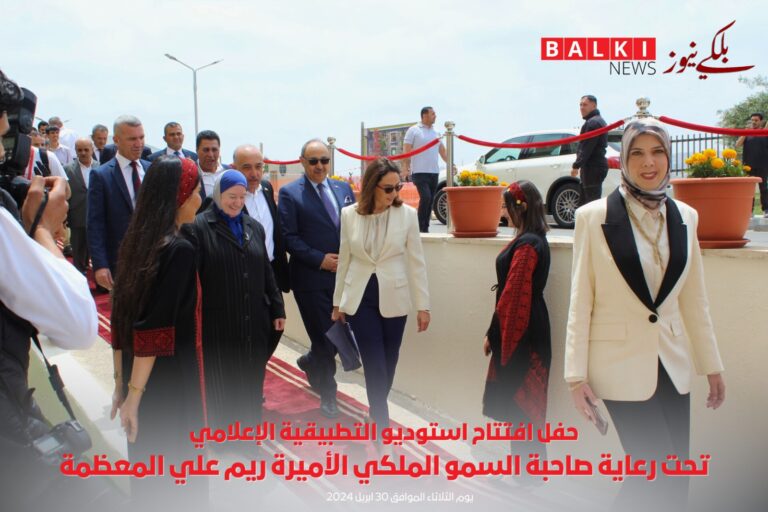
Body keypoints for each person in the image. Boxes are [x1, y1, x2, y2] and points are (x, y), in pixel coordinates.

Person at [565, 118, 726, 511]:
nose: (648, 162)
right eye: (637, 153)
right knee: (653, 471)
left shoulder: (686, 216)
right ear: (623, 159)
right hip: (618, 365)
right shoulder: (593, 216)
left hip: (672, 364)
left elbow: (695, 299)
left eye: (657, 152)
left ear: (669, 157)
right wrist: (575, 375)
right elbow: (580, 300)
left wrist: (712, 366)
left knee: (677, 475)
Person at [111, 156, 206, 509]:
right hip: (169, 381)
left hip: (138, 375)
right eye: (196, 192)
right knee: (178, 473)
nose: (200, 200)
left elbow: (120, 322)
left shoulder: (138, 242)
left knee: (150, 469)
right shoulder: (179, 250)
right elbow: (155, 329)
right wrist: (133, 398)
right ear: (179, 197)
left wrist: (122, 385)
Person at [332, 158, 430, 430]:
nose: (394, 194)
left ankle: (375, 412)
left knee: (389, 361)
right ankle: (382, 426)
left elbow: (417, 263)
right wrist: (338, 302)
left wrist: (423, 305)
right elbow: (345, 259)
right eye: (388, 189)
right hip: (361, 297)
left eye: (398, 187)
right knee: (374, 362)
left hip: (395, 297)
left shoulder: (407, 215)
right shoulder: (349, 215)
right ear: (372, 186)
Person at [188, 170, 285, 431]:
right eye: (232, 196)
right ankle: (224, 435)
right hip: (219, 322)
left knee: (252, 379)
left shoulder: (254, 227)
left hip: (253, 319)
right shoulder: (199, 227)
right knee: (223, 380)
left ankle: (249, 432)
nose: (237, 202)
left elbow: (266, 270)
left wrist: (277, 308)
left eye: (242, 197)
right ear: (218, 194)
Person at [279, 139, 355, 418]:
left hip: (343, 279)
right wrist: (319, 259)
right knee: (325, 337)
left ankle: (311, 361)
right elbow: (288, 237)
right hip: (310, 279)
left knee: (338, 336)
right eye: (313, 161)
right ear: (302, 162)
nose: (320, 166)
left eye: (324, 160)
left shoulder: (343, 189)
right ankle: (328, 392)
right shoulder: (290, 193)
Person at [481, 180, 551, 464]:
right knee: (522, 404)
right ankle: (526, 472)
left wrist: (499, 337)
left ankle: (527, 475)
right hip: (525, 328)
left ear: (519, 208)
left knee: (523, 402)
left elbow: (514, 296)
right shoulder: (531, 240)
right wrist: (493, 331)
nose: (502, 212)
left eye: (505, 206)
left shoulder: (528, 245)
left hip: (523, 333)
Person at [87, 115, 151, 291]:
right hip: (120, 262)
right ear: (116, 140)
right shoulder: (101, 176)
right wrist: (100, 264)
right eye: (132, 139)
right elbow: (95, 223)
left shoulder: (152, 169)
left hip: (152, 260)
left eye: (141, 137)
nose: (138, 144)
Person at [402, 106, 452, 232]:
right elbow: (406, 151)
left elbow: (442, 151)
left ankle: (425, 228)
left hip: (434, 172)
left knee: (430, 201)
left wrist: (451, 164)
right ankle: (419, 228)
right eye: (433, 114)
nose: (435, 116)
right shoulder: (413, 130)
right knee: (426, 197)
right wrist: (405, 169)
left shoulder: (437, 132)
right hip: (419, 172)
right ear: (424, 115)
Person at [63, 138, 99, 273]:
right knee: (78, 247)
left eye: (86, 150)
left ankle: (97, 276)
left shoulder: (102, 168)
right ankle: (79, 273)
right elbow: (65, 194)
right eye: (79, 150)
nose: (83, 153)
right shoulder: (67, 169)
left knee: (95, 247)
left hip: (97, 215)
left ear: (92, 150)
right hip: (76, 213)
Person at [570, 95, 608, 206]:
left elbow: (586, 147)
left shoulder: (593, 123)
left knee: (591, 204)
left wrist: (576, 165)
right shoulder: (597, 121)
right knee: (585, 204)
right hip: (593, 167)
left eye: (585, 105)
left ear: (594, 106)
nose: (582, 108)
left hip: (593, 167)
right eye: (580, 105)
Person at [736, 112, 768, 217]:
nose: (753, 122)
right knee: (749, 190)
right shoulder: (747, 133)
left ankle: (766, 210)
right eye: (752, 120)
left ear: (761, 121)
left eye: (756, 120)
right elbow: (737, 144)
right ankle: (749, 211)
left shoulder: (765, 132)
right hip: (748, 166)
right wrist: (745, 133)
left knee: (764, 188)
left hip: (763, 165)